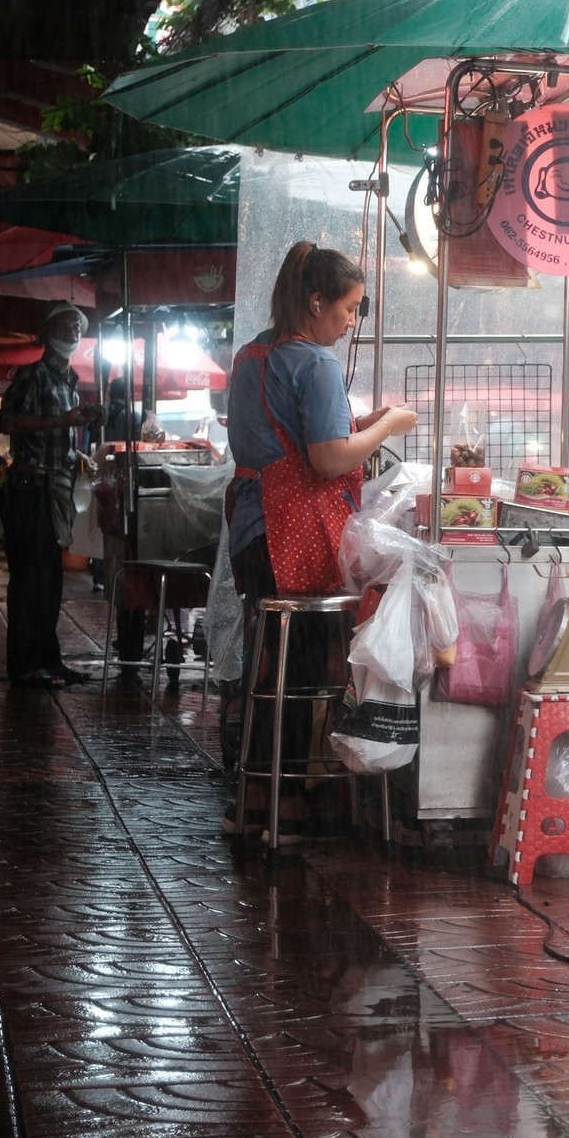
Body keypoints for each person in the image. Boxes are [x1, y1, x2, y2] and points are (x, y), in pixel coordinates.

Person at [222, 244, 417, 825]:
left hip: (251, 529)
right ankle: (288, 797)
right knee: (304, 665)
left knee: (271, 657)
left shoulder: (253, 354)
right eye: (350, 309)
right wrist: (389, 426)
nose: (352, 322)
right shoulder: (316, 362)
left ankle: (258, 789)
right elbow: (329, 459)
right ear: (316, 303)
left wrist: (362, 423)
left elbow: (291, 438)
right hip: (294, 532)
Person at [0, 302, 104, 688]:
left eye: (78, 326)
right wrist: (63, 420)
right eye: (66, 324)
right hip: (28, 490)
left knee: (50, 579)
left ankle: (48, 659)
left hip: (53, 490)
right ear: (47, 331)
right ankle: (25, 666)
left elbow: (62, 440)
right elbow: (5, 421)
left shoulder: (69, 380)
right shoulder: (33, 375)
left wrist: (81, 450)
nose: (74, 331)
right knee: (29, 579)